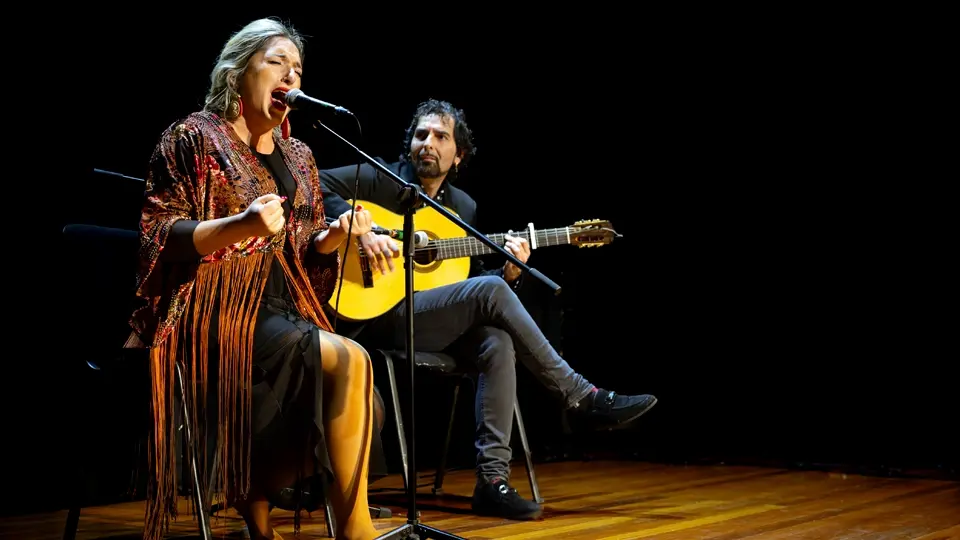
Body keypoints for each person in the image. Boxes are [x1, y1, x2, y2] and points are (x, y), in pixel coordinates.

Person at [318, 99, 658, 520]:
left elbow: (465, 282)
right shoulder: (378, 180)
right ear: (410, 145)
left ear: (458, 154)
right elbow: (314, 183)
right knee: (492, 292)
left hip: (429, 320)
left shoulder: (463, 207)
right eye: (422, 135)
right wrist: (357, 221)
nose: (429, 143)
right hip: (377, 318)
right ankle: (579, 396)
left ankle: (492, 482)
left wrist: (510, 273)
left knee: (496, 341)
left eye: (442, 137)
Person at [126, 18, 384, 540]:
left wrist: (333, 238)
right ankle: (354, 534)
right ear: (238, 71)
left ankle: (262, 510)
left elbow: (305, 253)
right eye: (277, 63)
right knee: (349, 359)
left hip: (282, 307)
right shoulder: (192, 137)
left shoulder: (299, 156)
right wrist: (238, 226)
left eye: (299, 69)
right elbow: (159, 234)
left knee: (355, 381)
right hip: (211, 307)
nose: (291, 75)